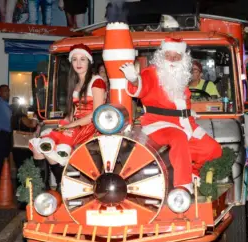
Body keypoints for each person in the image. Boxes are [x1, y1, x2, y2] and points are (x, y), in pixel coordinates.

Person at [120, 38, 222, 193]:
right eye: (169, 56)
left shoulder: (181, 77)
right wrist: (134, 79)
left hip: (185, 123)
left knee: (213, 149)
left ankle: (192, 173)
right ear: (162, 56)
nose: (173, 60)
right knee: (178, 137)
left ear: (183, 59)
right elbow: (142, 86)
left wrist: (189, 112)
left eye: (177, 56)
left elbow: (179, 102)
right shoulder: (151, 73)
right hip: (159, 124)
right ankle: (183, 186)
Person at [30, 43, 107, 189]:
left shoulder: (97, 81)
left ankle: (62, 184)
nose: (78, 63)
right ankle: (45, 189)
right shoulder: (76, 82)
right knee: (40, 145)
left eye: (82, 59)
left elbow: (97, 113)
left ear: (89, 61)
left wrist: (70, 125)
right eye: (75, 59)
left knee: (55, 148)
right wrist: (62, 124)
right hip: (76, 125)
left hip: (90, 127)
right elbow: (71, 113)